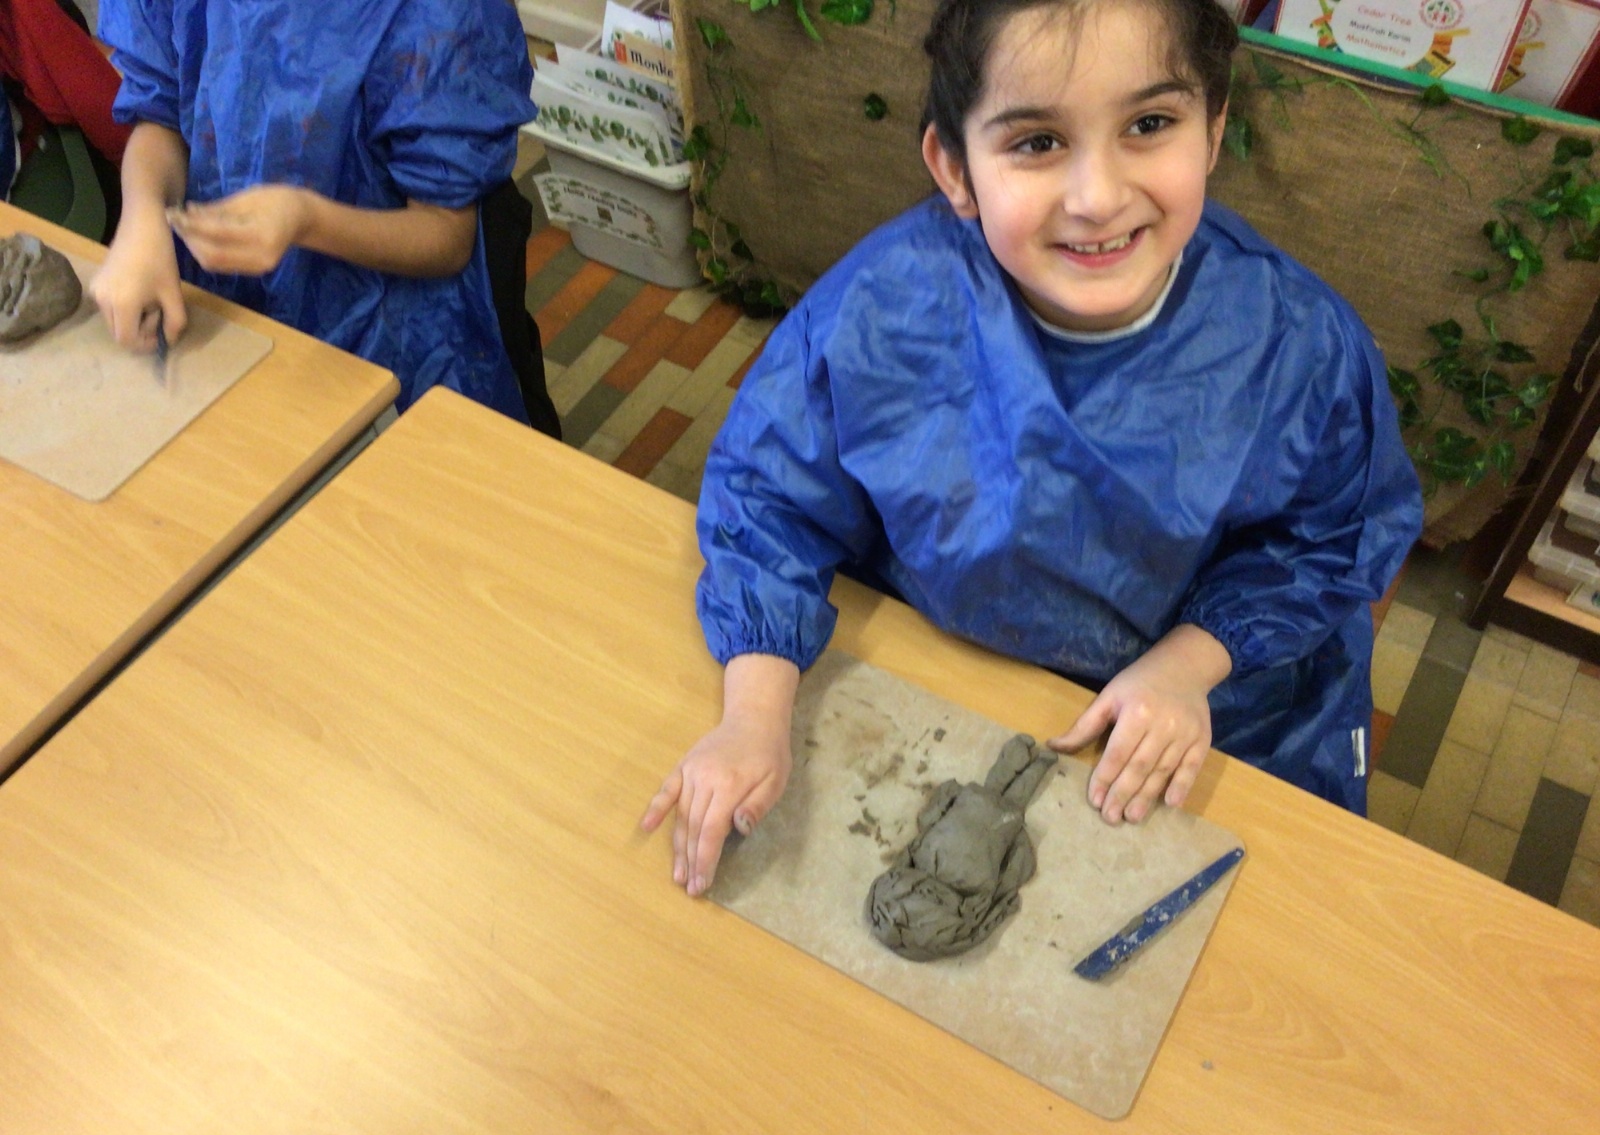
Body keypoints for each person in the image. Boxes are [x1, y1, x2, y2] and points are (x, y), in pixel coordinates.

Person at [641, 0, 1424, 897]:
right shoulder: (883, 306)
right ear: (955, 168)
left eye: (1149, 125)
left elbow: (1329, 537)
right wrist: (752, 716)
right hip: (951, 672)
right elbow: (769, 501)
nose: (1098, 197)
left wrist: (1186, 667)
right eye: (1038, 143)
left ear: (1213, 129)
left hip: (1205, 711)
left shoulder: (1299, 346)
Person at [88, 0, 558, 432]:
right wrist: (143, 214)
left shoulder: (441, 13)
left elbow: (446, 235)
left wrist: (308, 221)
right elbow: (161, 114)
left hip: (390, 340)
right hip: (224, 309)